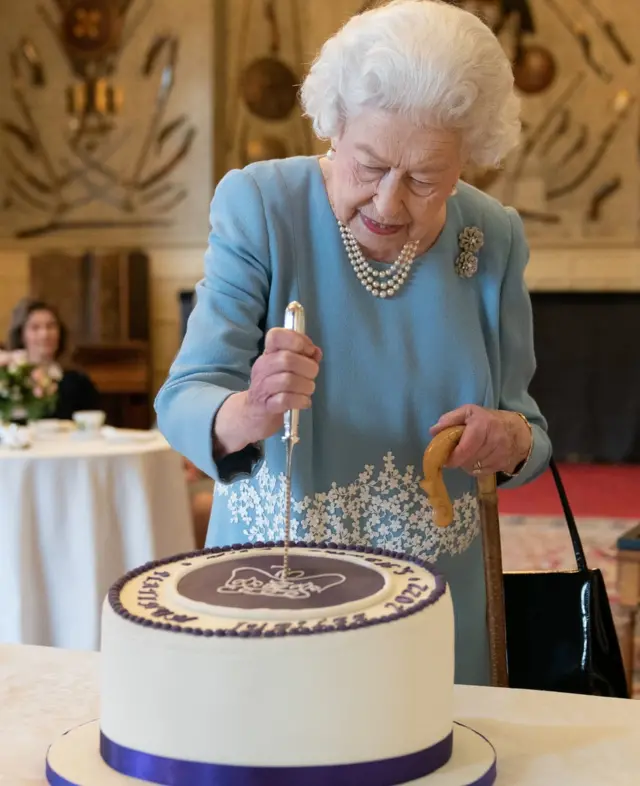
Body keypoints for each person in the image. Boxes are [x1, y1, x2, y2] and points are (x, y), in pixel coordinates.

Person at [155, 0, 552, 686]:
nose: (389, 204)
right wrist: (249, 410)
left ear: (468, 162)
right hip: (276, 594)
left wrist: (510, 439)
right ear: (333, 127)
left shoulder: (493, 235)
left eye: (426, 179)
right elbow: (185, 398)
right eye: (369, 165)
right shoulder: (262, 204)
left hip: (435, 607)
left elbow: (531, 428)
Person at [7, 298, 100, 420]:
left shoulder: (77, 381)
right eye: (35, 328)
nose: (44, 334)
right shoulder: (8, 379)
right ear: (21, 335)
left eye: (51, 326)